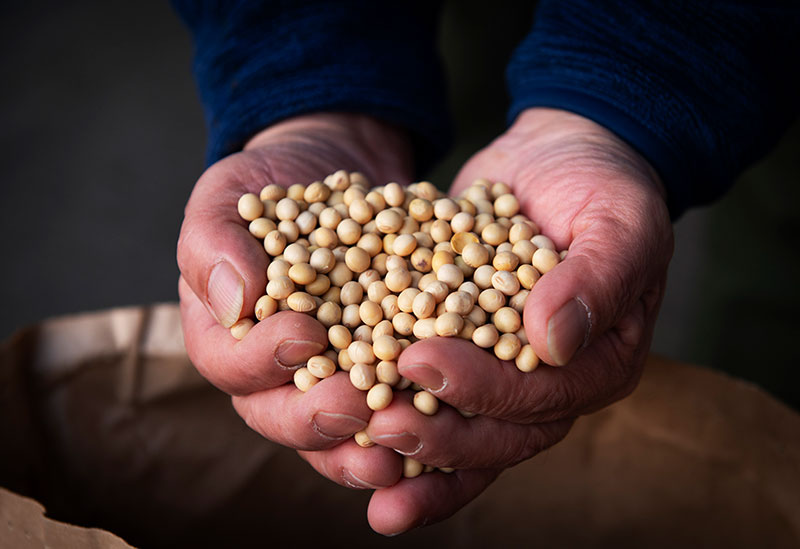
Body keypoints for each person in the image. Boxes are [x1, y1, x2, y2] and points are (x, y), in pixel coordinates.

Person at [172, 0, 800, 536]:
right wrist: (312, 87)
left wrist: (618, 102)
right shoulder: (364, 251)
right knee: (473, 64)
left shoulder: (448, 265)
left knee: (781, 260)